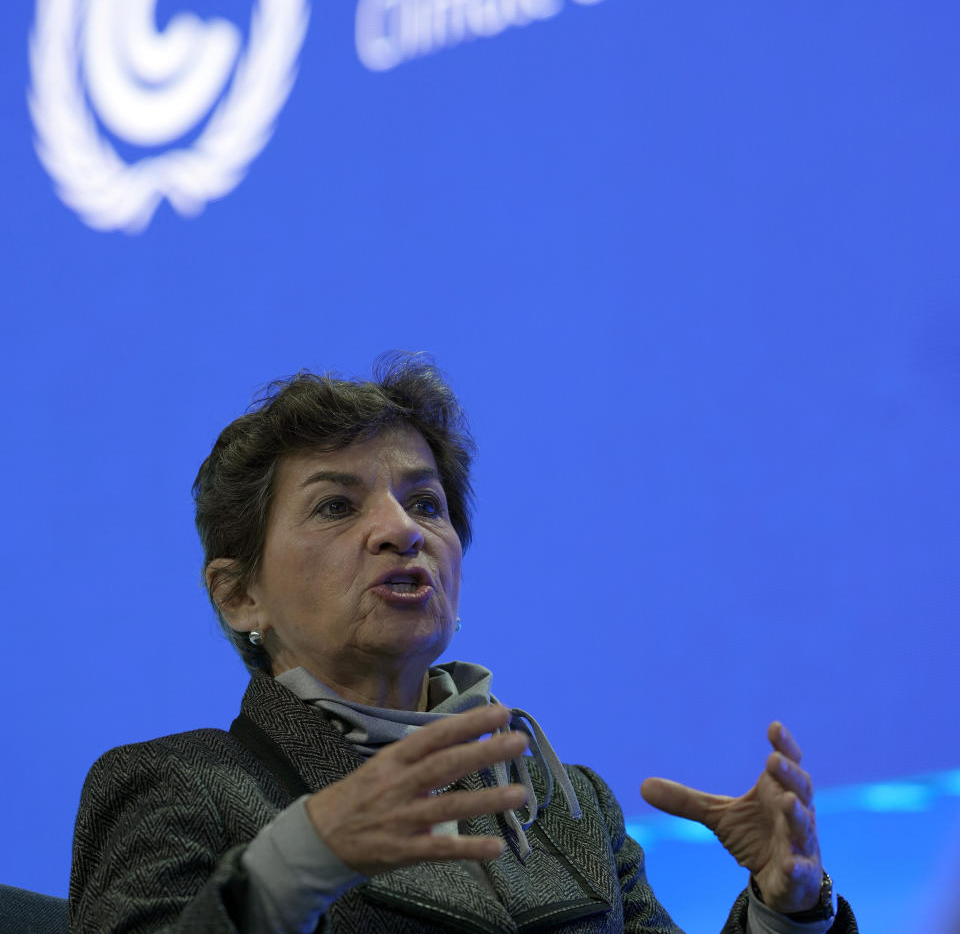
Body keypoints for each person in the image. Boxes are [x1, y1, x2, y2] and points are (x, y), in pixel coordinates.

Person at [70, 356, 858, 933]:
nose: (402, 530)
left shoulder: (566, 801)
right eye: (337, 506)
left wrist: (786, 910)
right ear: (240, 593)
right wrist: (295, 864)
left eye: (425, 502)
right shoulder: (181, 787)